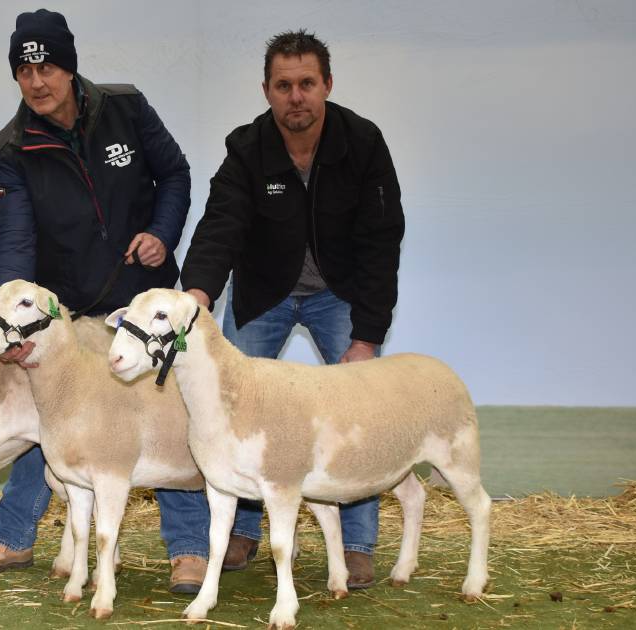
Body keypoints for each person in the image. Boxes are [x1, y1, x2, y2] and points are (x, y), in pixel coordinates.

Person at [0, 8, 212, 593]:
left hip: (143, 300)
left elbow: (174, 173)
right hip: (67, 309)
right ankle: (13, 535)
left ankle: (190, 549)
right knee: (44, 415)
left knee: (171, 411)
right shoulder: (11, 147)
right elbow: (15, 235)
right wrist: (13, 322)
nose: (37, 81)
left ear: (69, 67)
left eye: (46, 66)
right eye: (24, 70)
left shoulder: (128, 106)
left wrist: (162, 235)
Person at [179, 29, 406, 589]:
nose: (296, 96)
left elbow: (382, 241)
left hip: (341, 294)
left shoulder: (363, 142)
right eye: (284, 86)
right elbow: (219, 228)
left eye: (307, 83)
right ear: (266, 90)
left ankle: (356, 544)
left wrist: (366, 337)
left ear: (327, 84)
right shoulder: (245, 147)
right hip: (265, 292)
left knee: (361, 414)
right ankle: (245, 531)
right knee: (238, 409)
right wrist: (196, 298)